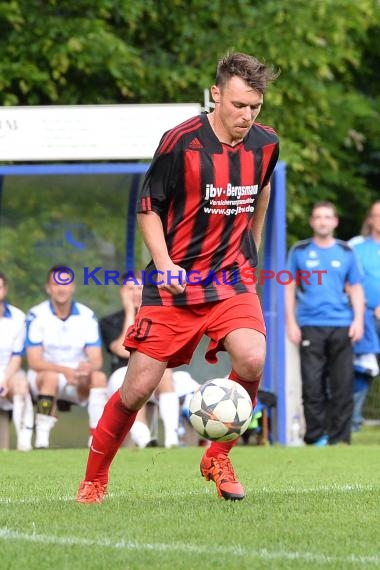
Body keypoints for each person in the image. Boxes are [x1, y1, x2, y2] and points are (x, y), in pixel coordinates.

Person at [76, 51, 280, 503]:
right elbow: (149, 207)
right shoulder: (180, 142)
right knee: (138, 388)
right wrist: (165, 264)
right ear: (215, 95)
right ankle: (95, 478)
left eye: (255, 107)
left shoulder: (266, 143)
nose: (247, 116)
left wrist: (254, 244)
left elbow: (262, 186)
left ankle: (218, 455)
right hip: (176, 284)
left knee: (252, 357)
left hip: (230, 279)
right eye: (238, 105)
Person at [285, 201, 365, 446]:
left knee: (342, 385)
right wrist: (291, 322)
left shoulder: (346, 252)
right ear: (312, 222)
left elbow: (356, 288)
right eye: (318, 217)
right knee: (312, 385)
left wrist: (359, 321)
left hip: (342, 325)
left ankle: (340, 439)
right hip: (310, 324)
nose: (322, 221)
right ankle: (316, 437)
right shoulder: (299, 251)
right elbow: (288, 287)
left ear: (335, 222)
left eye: (327, 217)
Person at [26, 265, 108, 449]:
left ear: (73, 287)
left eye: (66, 283)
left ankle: (95, 439)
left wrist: (87, 368)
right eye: (56, 284)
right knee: (51, 377)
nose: (61, 288)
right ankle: (41, 439)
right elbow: (34, 361)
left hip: (77, 379)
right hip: (44, 376)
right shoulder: (36, 314)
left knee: (99, 377)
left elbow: (96, 359)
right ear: (48, 288)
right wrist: (64, 370)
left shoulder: (87, 316)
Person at [100, 274, 180, 448]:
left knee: (166, 374)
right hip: (122, 373)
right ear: (122, 292)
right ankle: (145, 440)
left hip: (155, 372)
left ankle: (172, 440)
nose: (135, 293)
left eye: (139, 288)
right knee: (135, 382)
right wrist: (131, 312)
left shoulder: (159, 318)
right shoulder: (109, 321)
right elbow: (122, 350)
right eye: (130, 289)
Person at [349, 200, 380, 431]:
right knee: (364, 368)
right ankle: (354, 422)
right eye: (377, 215)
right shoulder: (356, 246)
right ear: (370, 219)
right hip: (367, 317)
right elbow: (348, 280)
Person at [0, 272, 34, 451]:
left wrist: (4, 379)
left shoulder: (18, 317)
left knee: (21, 385)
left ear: (4, 290)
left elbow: (16, 356)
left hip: (9, 373)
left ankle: (24, 442)